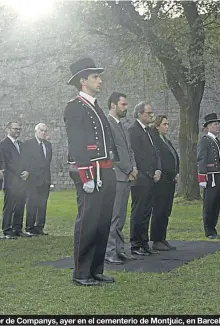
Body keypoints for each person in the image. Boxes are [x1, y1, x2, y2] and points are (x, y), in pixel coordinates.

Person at [64, 58, 118, 286]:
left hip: (105, 171)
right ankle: (81, 273)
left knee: (103, 222)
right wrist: (86, 175)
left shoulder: (95, 106)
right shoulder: (74, 106)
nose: (100, 80)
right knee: (87, 222)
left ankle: (96, 269)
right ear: (83, 80)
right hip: (91, 172)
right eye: (95, 77)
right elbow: (76, 144)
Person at [104, 92, 138, 265]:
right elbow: (113, 153)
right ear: (113, 105)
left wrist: (134, 167)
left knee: (122, 215)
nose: (126, 108)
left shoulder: (123, 126)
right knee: (114, 216)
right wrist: (128, 168)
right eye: (123, 104)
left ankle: (119, 249)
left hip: (127, 176)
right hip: (117, 176)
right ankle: (109, 251)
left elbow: (129, 150)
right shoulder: (107, 124)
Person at [127, 102, 161, 257]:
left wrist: (158, 169)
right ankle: (135, 243)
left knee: (148, 210)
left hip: (152, 176)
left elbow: (156, 152)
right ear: (140, 114)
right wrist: (147, 171)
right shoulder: (133, 131)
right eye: (149, 113)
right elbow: (137, 154)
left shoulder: (150, 132)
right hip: (141, 177)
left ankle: (144, 242)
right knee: (138, 211)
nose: (151, 116)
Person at [197, 113, 220, 239]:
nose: (218, 127)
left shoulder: (216, 141)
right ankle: (208, 230)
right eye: (215, 124)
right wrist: (202, 177)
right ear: (209, 126)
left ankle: (213, 228)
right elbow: (201, 159)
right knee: (209, 203)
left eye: (218, 124)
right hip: (210, 177)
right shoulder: (205, 141)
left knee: (216, 203)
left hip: (218, 175)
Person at [0, 121, 32, 239]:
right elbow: (6, 162)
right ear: (8, 129)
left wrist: (27, 171)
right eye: (15, 129)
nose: (17, 131)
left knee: (20, 205)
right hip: (11, 180)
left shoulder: (22, 145)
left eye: (19, 129)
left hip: (23, 180)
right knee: (9, 206)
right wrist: (19, 173)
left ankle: (17, 228)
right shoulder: (3, 145)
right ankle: (7, 230)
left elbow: (27, 160)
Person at [151, 115, 179, 251]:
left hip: (170, 179)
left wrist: (176, 172)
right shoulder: (156, 141)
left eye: (168, 124)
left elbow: (173, 157)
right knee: (159, 209)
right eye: (164, 124)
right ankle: (156, 239)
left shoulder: (166, 140)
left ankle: (162, 238)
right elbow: (160, 159)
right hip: (162, 180)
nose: (167, 127)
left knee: (166, 210)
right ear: (157, 126)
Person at [23, 123, 52, 236]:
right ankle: (30, 227)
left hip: (45, 179)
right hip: (33, 179)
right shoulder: (28, 144)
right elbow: (26, 161)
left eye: (45, 131)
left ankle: (40, 226)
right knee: (31, 203)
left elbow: (47, 162)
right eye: (41, 130)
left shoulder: (48, 145)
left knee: (42, 204)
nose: (43, 133)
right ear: (36, 131)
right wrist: (30, 172)